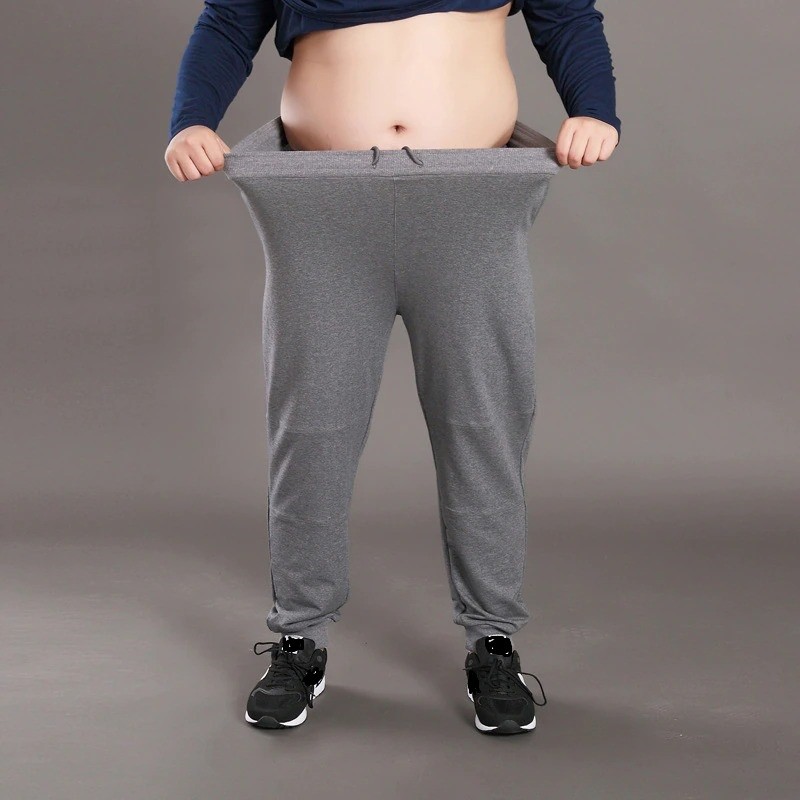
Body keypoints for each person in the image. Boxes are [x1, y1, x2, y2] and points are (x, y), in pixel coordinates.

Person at [164, 0, 620, 735]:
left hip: (470, 197)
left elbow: (566, 17)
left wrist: (594, 107)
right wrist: (191, 119)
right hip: (321, 201)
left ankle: (493, 641)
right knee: (312, 428)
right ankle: (298, 639)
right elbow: (227, 21)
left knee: (484, 424)